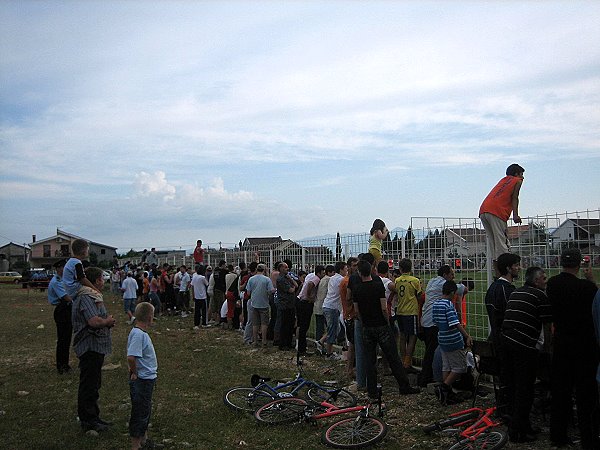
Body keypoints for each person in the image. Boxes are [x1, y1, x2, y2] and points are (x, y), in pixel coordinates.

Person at [547, 247, 599, 449]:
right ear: (579, 264)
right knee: (587, 396)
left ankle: (557, 435)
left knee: (561, 392)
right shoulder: (587, 288)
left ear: (561, 263)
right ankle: (589, 438)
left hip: (561, 343)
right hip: (584, 346)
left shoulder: (552, 284)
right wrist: (591, 280)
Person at [353, 260, 419, 399]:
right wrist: (387, 321)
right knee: (393, 356)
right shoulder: (378, 286)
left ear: (359, 273)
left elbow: (357, 311)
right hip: (381, 325)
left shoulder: (357, 289)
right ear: (371, 270)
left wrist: (364, 322)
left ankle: (372, 390)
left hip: (367, 327)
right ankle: (404, 386)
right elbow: (384, 308)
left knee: (370, 360)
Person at [501, 267, 552, 443]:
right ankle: (517, 432)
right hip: (524, 346)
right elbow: (547, 326)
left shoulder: (517, 292)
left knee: (516, 387)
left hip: (506, 342)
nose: (546, 281)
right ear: (536, 281)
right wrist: (547, 349)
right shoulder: (541, 297)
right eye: (544, 278)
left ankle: (523, 425)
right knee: (525, 390)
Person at [71, 266, 116, 433]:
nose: (103, 282)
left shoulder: (91, 296)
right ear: (96, 280)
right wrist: (107, 321)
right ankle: (89, 420)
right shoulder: (86, 298)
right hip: (90, 345)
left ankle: (93, 417)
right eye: (102, 279)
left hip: (95, 345)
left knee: (93, 383)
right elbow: (93, 321)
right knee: (89, 384)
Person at [432, 280, 473, 406]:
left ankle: (446, 394)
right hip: (453, 339)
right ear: (451, 292)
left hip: (442, 338)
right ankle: (443, 387)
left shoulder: (436, 304)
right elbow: (454, 323)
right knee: (460, 367)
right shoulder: (448, 305)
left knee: (447, 366)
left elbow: (435, 321)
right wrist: (466, 335)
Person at [479, 164, 524, 275]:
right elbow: (515, 198)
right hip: (497, 212)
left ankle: (498, 275)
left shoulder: (503, 181)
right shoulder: (517, 181)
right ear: (516, 174)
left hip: (484, 210)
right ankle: (506, 275)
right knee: (502, 245)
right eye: (521, 174)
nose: (523, 177)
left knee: (494, 245)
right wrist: (515, 215)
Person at [127, 302, 158, 450]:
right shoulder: (139, 335)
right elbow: (131, 357)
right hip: (142, 379)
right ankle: (136, 445)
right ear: (149, 317)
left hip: (147, 378)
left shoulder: (139, 333)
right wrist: (134, 372)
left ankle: (144, 440)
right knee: (139, 411)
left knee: (145, 409)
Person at [419, 265, 455, 387]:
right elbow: (459, 288)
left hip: (425, 320)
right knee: (432, 352)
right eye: (451, 274)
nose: (452, 276)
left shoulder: (431, 281)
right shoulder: (444, 284)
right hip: (433, 322)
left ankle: (428, 376)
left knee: (430, 350)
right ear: (445, 275)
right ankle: (426, 378)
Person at [394, 258, 422, 374]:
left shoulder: (397, 280)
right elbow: (419, 296)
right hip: (411, 312)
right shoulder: (415, 281)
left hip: (400, 311)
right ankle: (407, 363)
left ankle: (402, 361)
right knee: (412, 337)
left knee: (402, 337)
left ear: (400, 269)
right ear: (411, 268)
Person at [317, 261, 347, 360]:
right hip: (332, 307)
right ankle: (329, 354)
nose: (346, 271)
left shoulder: (332, 278)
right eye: (345, 269)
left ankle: (321, 342)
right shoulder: (341, 279)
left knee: (333, 328)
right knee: (332, 330)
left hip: (328, 305)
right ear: (341, 269)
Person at [47, 258, 73, 374]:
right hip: (62, 309)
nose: (65, 269)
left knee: (67, 339)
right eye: (63, 267)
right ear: (58, 269)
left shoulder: (63, 279)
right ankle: (61, 366)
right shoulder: (56, 281)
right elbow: (66, 297)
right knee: (63, 339)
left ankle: (65, 364)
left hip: (67, 308)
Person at [296, 265, 324, 355]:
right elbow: (310, 284)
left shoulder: (312, 277)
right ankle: (302, 349)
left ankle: (301, 348)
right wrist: (309, 297)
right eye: (323, 272)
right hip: (305, 303)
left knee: (302, 327)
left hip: (301, 301)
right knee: (304, 326)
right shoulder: (316, 279)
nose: (324, 274)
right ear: (319, 273)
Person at [246, 263, 275, 348]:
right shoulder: (267, 279)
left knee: (255, 324)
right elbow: (271, 291)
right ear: (264, 270)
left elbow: (248, 292)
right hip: (264, 303)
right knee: (264, 324)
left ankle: (255, 341)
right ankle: (264, 341)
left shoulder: (251, 279)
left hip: (254, 303)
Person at [276, 261, 298, 351]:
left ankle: (288, 342)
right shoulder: (280, 279)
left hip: (290, 304)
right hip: (284, 304)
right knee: (284, 325)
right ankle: (283, 343)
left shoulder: (286, 278)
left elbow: (296, 285)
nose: (287, 269)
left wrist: (290, 279)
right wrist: (293, 287)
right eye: (285, 267)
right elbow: (291, 290)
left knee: (290, 325)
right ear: (281, 269)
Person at [315, 265, 334, 343]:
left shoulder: (322, 279)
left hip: (318, 306)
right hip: (324, 306)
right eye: (333, 272)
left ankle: (318, 342)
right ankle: (321, 342)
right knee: (330, 327)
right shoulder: (329, 279)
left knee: (319, 327)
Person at [190, 265, 209, 329]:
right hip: (203, 296)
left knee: (197, 311)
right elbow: (207, 284)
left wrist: (193, 295)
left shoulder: (194, 277)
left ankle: (196, 324)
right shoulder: (202, 278)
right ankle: (204, 323)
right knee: (204, 311)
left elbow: (192, 286)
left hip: (196, 296)